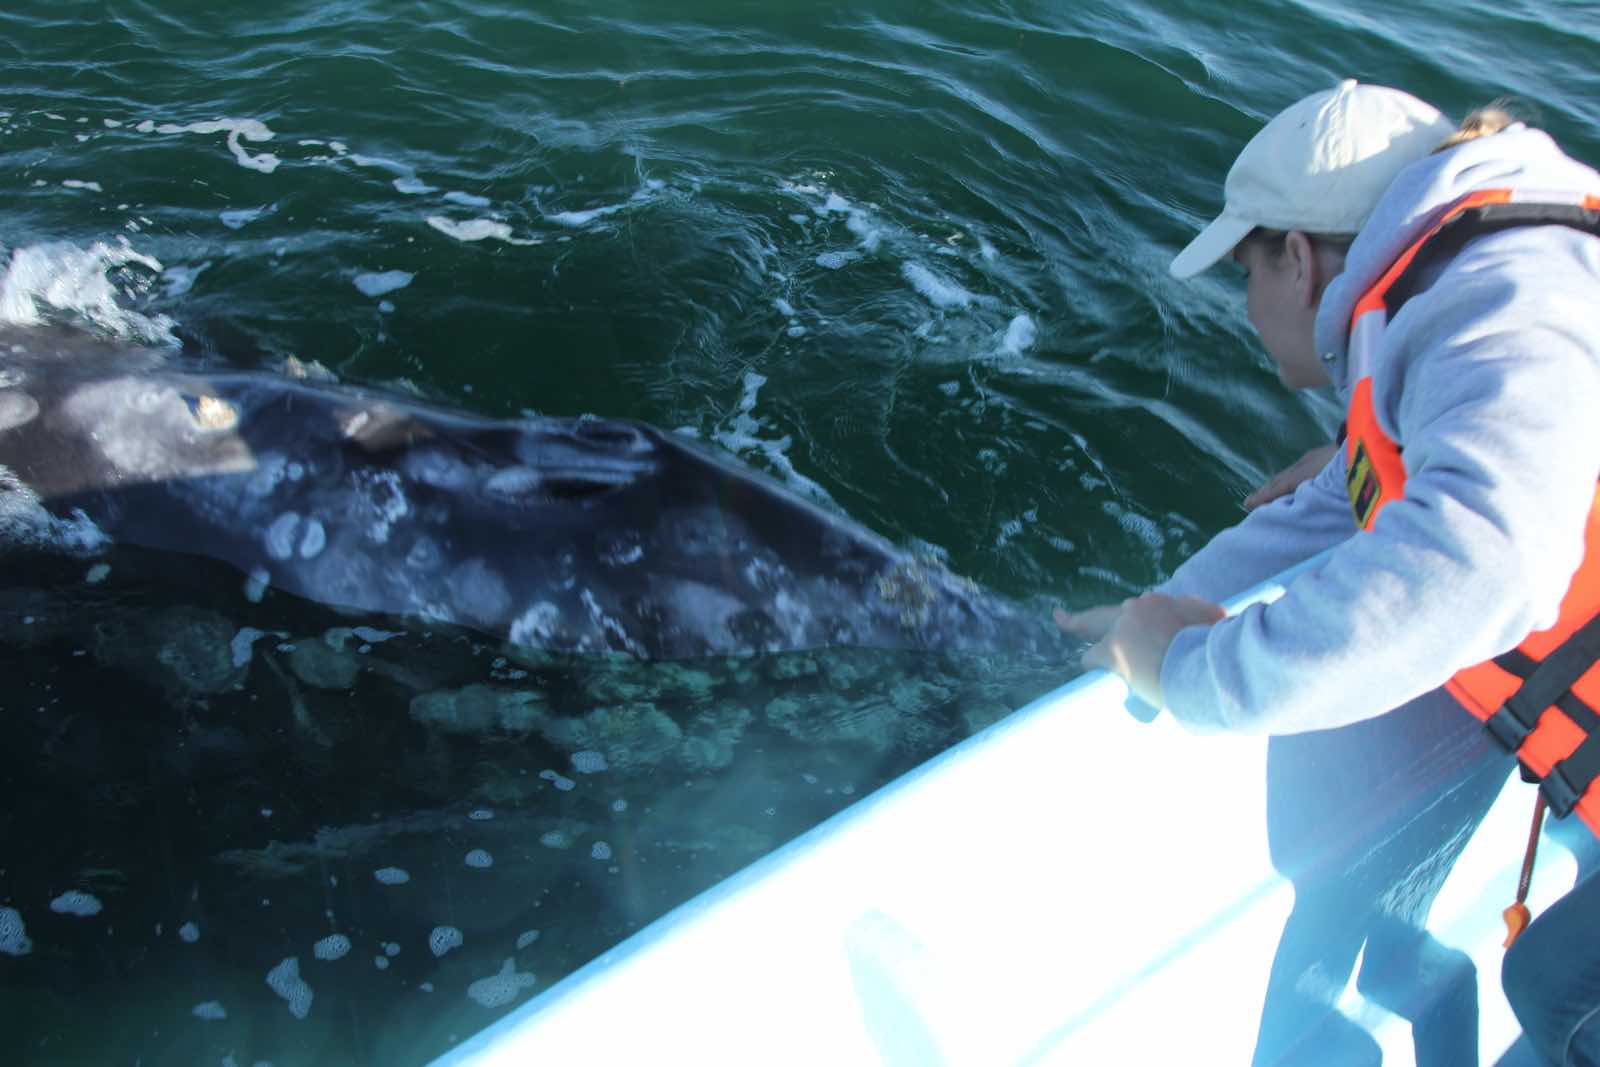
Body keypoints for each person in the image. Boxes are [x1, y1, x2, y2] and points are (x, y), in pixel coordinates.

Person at [1057, 79, 1600, 1065]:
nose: (1248, 307)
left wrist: (1191, 672)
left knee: (1559, 992)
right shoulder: (1462, 290)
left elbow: (1490, 561)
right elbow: (1342, 503)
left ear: (1298, 259)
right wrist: (1153, 615)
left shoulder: (1502, 299)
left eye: (1246, 274)